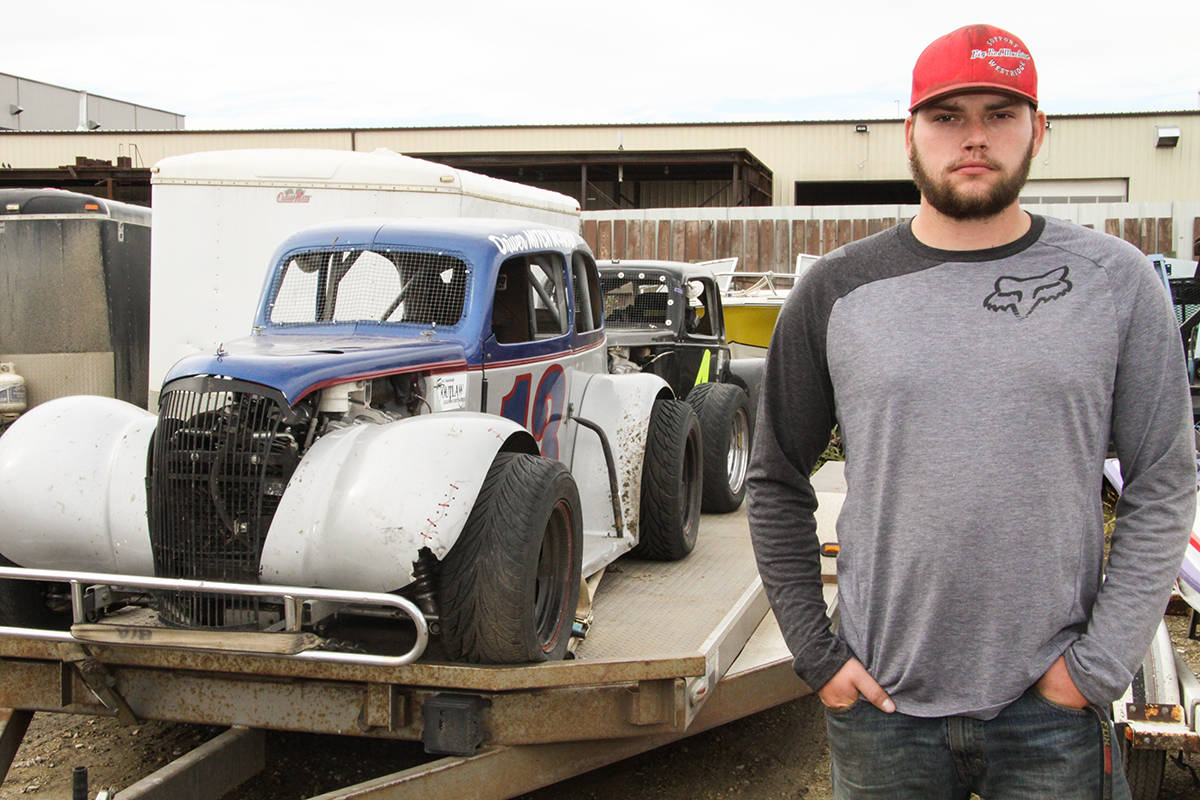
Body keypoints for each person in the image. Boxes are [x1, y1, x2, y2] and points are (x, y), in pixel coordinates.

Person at [747, 23, 1196, 799]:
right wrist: (820, 659)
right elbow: (776, 478)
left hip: (1052, 711)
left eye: (1001, 113)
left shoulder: (1113, 284)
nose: (975, 138)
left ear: (1038, 130)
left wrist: (1095, 668)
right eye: (949, 116)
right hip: (881, 706)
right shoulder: (837, 292)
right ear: (910, 135)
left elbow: (1162, 481)